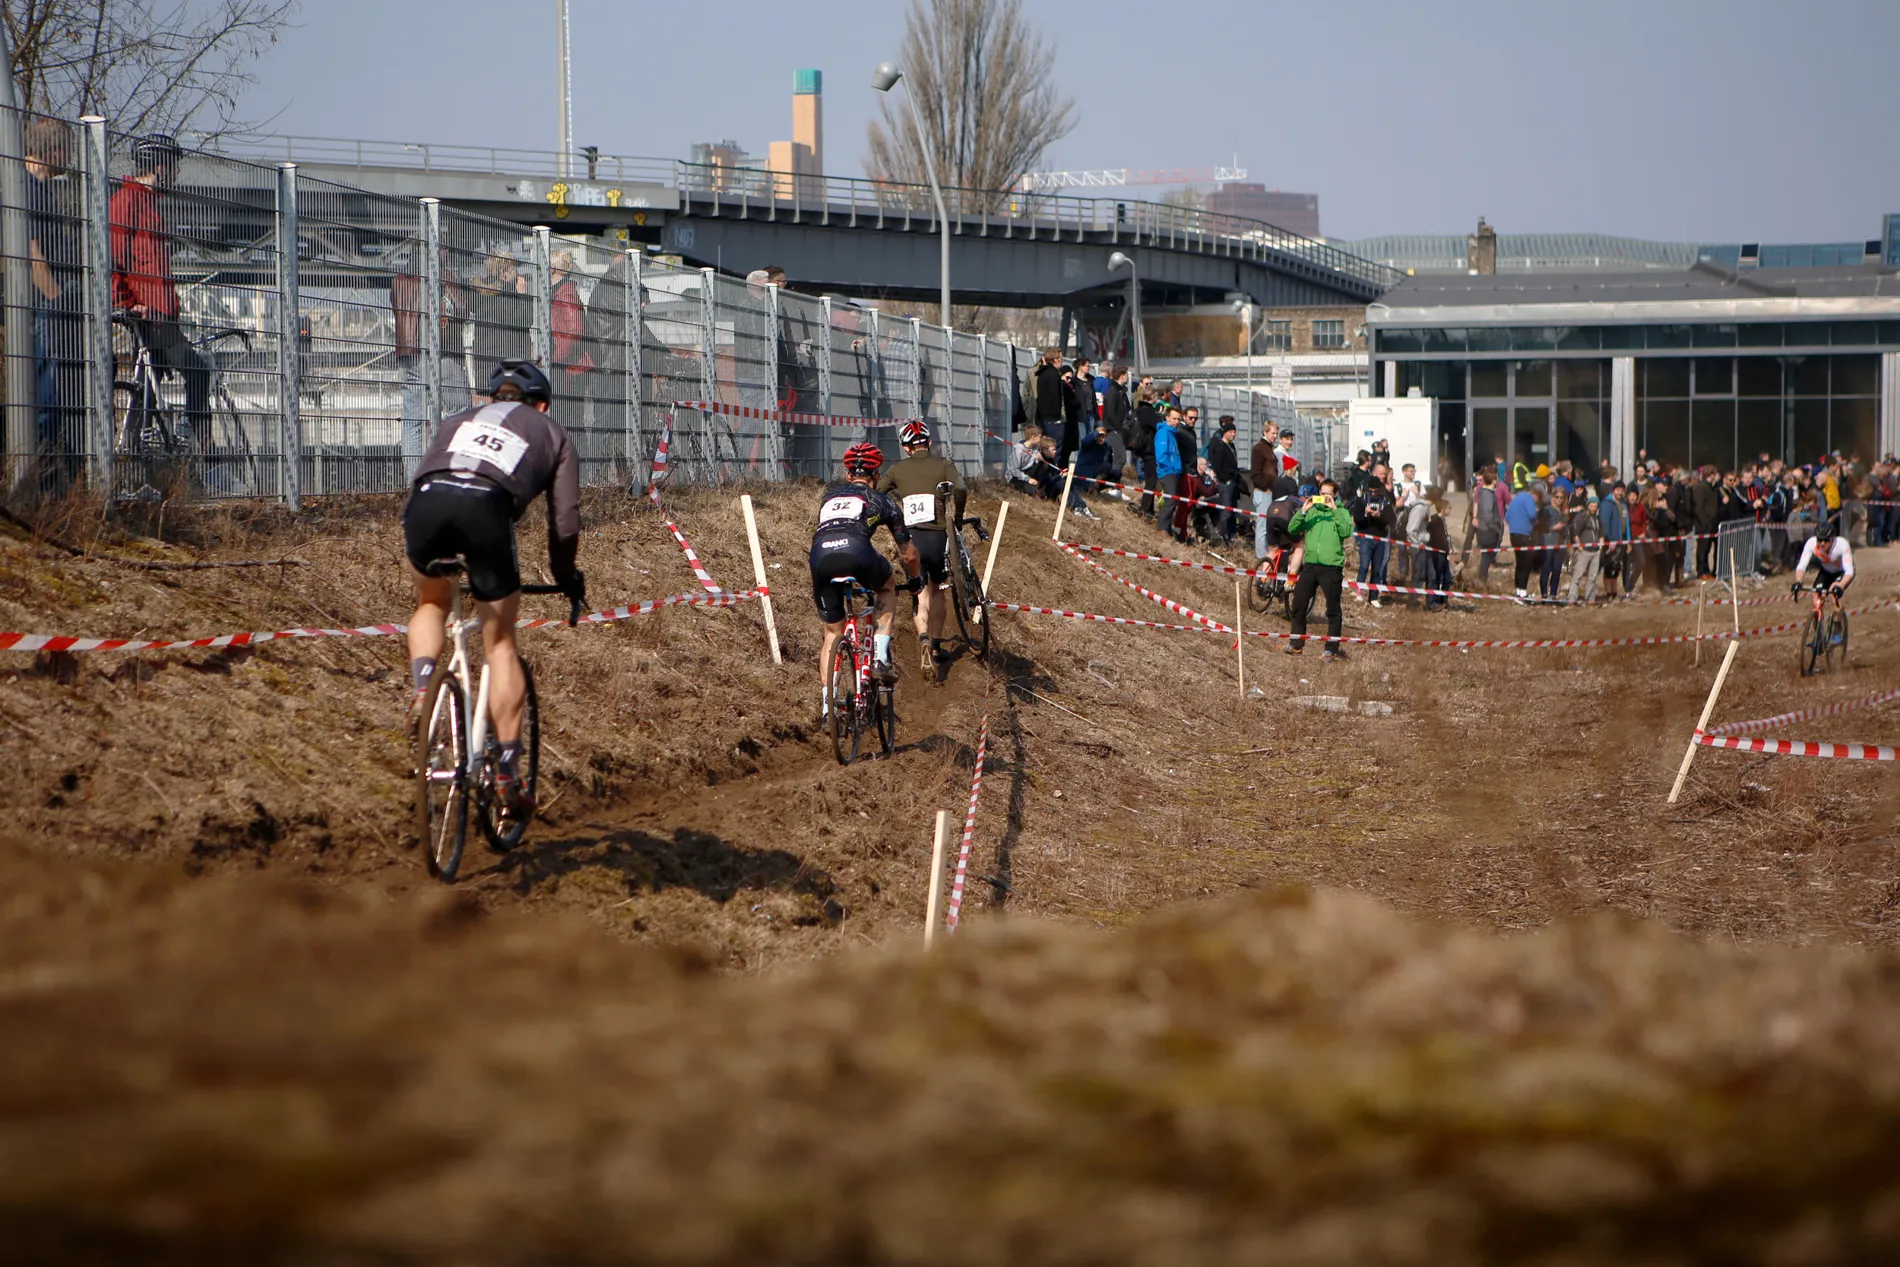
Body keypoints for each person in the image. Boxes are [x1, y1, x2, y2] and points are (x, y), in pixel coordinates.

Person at [403, 359, 584, 818]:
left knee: (431, 601)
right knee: (500, 642)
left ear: (490, 397)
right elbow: (564, 524)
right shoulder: (552, 432)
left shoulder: (455, 419)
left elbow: (427, 474)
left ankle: (424, 688)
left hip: (425, 504)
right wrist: (566, 576)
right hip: (484, 508)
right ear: (541, 404)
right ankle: (507, 768)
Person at [110, 134, 211, 442]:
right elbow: (112, 257)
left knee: (150, 391)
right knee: (198, 371)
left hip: (161, 316)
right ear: (160, 166)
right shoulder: (127, 202)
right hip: (149, 317)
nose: (177, 174)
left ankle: (150, 458)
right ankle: (190, 436)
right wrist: (127, 303)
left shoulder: (148, 204)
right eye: (174, 167)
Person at [810, 441, 919, 719]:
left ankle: (827, 707)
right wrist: (916, 579)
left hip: (820, 557)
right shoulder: (880, 500)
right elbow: (908, 552)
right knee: (886, 586)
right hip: (857, 552)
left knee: (831, 634)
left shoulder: (829, 496)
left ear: (848, 474)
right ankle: (880, 657)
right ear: (877, 474)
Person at [877, 419, 967, 678]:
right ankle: (937, 647)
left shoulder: (897, 469)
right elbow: (960, 487)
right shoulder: (943, 464)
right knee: (938, 589)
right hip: (937, 538)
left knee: (920, 592)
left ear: (905, 448)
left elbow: (878, 493)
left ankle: (924, 637)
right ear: (929, 443)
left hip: (909, 540)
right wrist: (958, 514)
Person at [25, 116, 82, 491]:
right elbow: (31, 254)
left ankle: (56, 486)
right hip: (43, 309)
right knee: (49, 397)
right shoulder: (26, 188)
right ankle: (44, 487)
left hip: (49, 307)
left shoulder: (39, 188)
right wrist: (57, 298)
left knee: (59, 396)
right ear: (56, 150)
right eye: (70, 149)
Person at [392, 243, 473, 477]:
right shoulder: (442, 277)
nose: (447, 255)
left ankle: (412, 480)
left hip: (408, 354)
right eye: (443, 250)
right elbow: (461, 309)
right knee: (460, 413)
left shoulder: (399, 281)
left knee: (412, 420)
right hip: (441, 353)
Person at [1285, 478, 1353, 661]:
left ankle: (1331, 649)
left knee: (1332, 610)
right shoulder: (1312, 512)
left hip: (1332, 567)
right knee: (1298, 604)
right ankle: (1296, 644)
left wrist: (1335, 510)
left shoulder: (1342, 512)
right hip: (1310, 565)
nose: (1324, 498)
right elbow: (1292, 528)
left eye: (1328, 495)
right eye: (1322, 494)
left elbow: (1346, 531)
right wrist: (1303, 510)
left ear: (1335, 495)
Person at [1793, 517, 1854, 629]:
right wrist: (1798, 581)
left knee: (1833, 594)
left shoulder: (1842, 545)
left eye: (1826, 540)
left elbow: (1849, 571)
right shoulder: (1811, 543)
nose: (1822, 543)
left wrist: (1841, 585)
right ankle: (1818, 635)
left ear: (1832, 539)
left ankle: (1837, 627)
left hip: (1842, 573)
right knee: (1815, 595)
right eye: (1819, 540)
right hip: (1826, 571)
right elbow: (1802, 565)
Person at [1351, 462, 1395, 603]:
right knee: (1363, 567)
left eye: (1376, 491)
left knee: (1376, 569)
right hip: (1365, 537)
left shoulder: (1385, 500)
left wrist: (1379, 516)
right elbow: (1357, 519)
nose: (1374, 493)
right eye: (1371, 491)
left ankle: (1374, 597)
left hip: (1380, 538)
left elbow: (1391, 519)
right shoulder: (1361, 500)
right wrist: (1365, 514)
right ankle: (1359, 593)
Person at [1204, 417, 1243, 545]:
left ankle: (1230, 535)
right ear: (1225, 432)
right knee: (1226, 511)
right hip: (1225, 482)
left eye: (1234, 432)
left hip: (1232, 482)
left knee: (1232, 510)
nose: (1233, 434)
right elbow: (1217, 465)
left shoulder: (1231, 446)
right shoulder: (1220, 446)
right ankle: (1222, 534)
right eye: (1230, 432)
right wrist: (1225, 479)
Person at [1153, 405, 1186, 540]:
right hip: (1167, 472)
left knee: (1173, 500)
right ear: (1167, 418)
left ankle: (1167, 528)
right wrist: (1171, 468)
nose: (1176, 422)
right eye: (1174, 419)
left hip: (1174, 472)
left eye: (1178, 419)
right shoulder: (1163, 433)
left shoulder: (1172, 433)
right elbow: (1161, 455)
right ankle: (1161, 528)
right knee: (1170, 499)